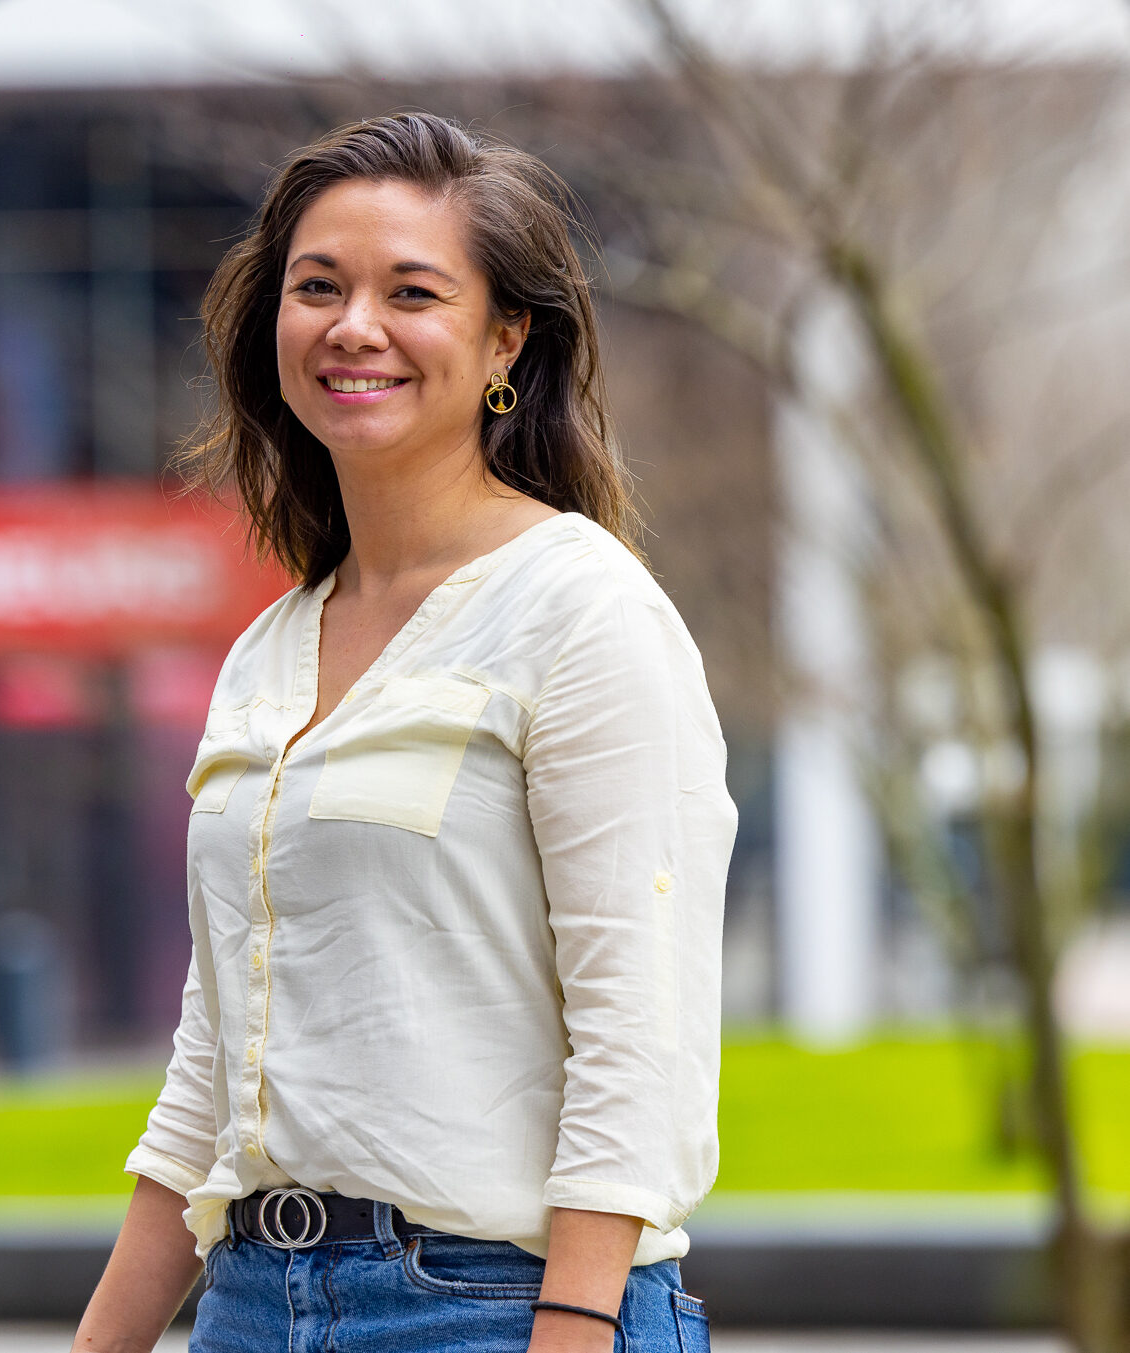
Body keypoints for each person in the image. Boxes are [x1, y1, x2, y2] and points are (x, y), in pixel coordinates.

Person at [70, 113, 737, 1353]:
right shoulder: (269, 648)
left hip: (495, 1310)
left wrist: (574, 1330)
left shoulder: (581, 611)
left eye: (410, 291)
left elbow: (637, 1038)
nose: (352, 325)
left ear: (503, 339)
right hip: (250, 1306)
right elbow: (212, 1062)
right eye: (314, 287)